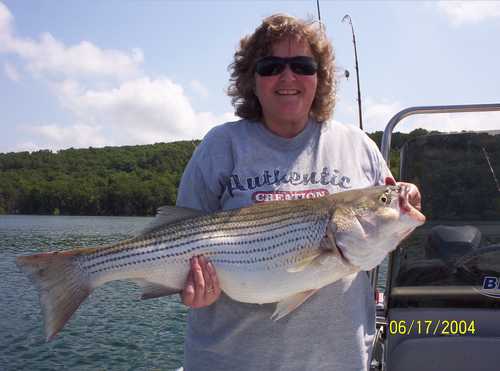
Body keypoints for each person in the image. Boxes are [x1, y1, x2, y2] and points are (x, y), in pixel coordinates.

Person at [176, 13, 421, 371]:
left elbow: (388, 228)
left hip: (338, 361)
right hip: (229, 360)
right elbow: (181, 240)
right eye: (272, 65)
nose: (288, 77)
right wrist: (192, 290)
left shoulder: (358, 146)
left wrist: (406, 203)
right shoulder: (220, 146)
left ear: (319, 78)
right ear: (252, 79)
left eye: (302, 65)